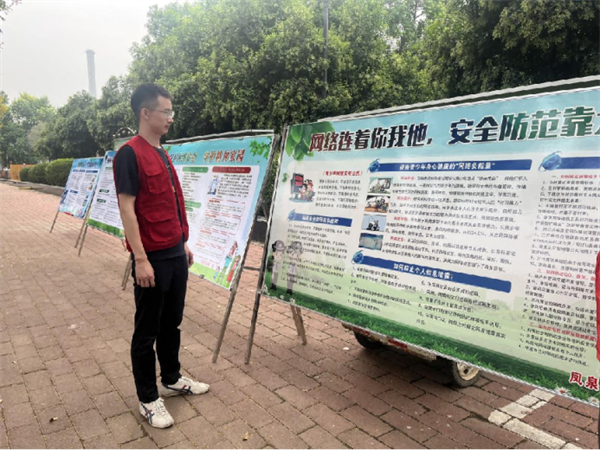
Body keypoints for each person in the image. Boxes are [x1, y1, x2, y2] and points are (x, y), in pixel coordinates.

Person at [113, 83, 209, 429]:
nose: (170, 117)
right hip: (151, 258)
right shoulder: (129, 154)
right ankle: (148, 398)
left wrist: (182, 242)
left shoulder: (162, 153)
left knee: (172, 322)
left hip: (175, 253)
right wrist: (140, 258)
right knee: (147, 330)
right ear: (145, 113)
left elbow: (170, 203)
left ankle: (171, 377)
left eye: (171, 111)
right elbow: (127, 208)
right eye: (165, 112)